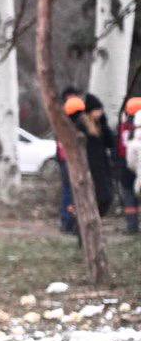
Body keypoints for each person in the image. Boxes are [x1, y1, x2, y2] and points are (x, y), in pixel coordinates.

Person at [59, 89, 115, 235]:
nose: (100, 113)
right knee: (90, 200)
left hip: (102, 169)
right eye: (98, 110)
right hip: (90, 169)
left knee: (104, 199)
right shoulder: (81, 126)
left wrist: (104, 123)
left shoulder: (99, 126)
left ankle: (87, 227)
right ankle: (80, 228)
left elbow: (110, 143)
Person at [119, 96, 141, 234]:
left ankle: (132, 226)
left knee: (129, 196)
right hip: (134, 167)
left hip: (126, 166)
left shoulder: (123, 127)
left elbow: (121, 149)